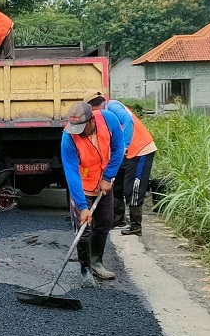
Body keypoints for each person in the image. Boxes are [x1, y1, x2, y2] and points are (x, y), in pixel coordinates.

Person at [61, 101, 124, 286]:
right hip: (82, 186)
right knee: (83, 230)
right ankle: (85, 270)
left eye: (81, 127)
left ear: (91, 120)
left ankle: (97, 262)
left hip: (103, 183)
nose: (78, 132)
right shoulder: (68, 138)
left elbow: (119, 148)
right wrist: (82, 206)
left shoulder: (108, 120)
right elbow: (71, 173)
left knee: (105, 223)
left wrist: (109, 176)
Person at [85, 91, 157, 237]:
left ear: (94, 107)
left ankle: (136, 226)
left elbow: (128, 122)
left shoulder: (112, 107)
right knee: (116, 185)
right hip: (125, 154)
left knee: (133, 189)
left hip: (140, 150)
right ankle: (118, 220)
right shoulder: (103, 116)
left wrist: (125, 145)